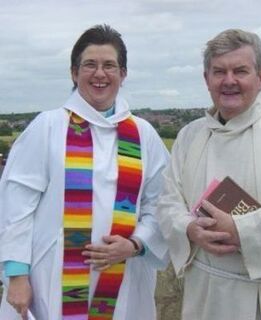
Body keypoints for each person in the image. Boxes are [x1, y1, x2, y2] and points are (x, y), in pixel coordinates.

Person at [0, 24, 169, 320]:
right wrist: (16, 274)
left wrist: (136, 243)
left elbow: (162, 204)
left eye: (110, 65)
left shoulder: (144, 135)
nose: (100, 74)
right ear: (74, 73)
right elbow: (17, 205)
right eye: (90, 64)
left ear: (123, 74)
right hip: (52, 276)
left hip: (124, 278)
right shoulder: (47, 126)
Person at [156, 28, 261, 320]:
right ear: (206, 79)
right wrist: (189, 229)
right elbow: (169, 201)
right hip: (206, 293)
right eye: (219, 71)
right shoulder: (189, 135)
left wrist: (241, 230)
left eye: (240, 71)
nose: (229, 81)